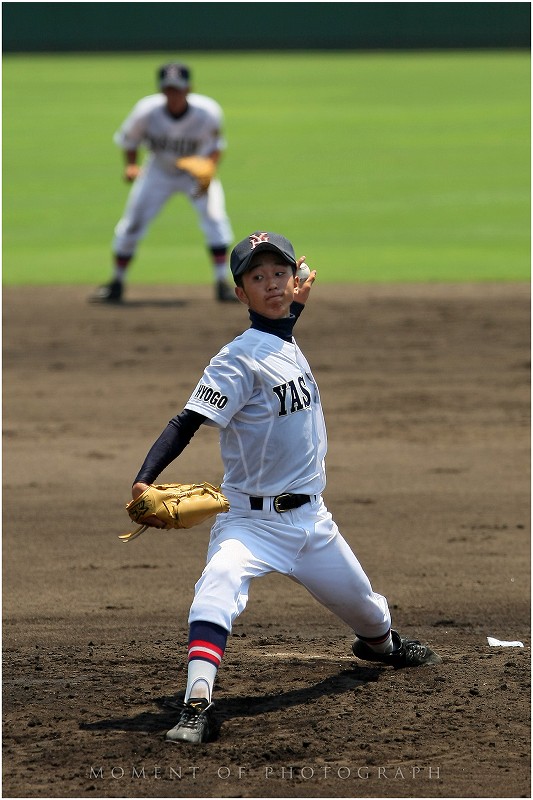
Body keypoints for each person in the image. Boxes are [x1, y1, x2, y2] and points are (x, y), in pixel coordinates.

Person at [129, 231, 441, 744]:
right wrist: (146, 477)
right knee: (216, 589)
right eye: (258, 277)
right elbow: (187, 420)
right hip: (250, 523)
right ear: (240, 293)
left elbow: (274, 334)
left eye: (279, 274)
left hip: (311, 523)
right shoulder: (236, 358)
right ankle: (196, 702)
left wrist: (293, 309)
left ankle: (381, 647)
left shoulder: (282, 337)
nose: (271, 285)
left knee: (368, 612)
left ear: (293, 279)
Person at [90, 62, 236, 304]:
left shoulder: (208, 112)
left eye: (177, 89)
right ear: (161, 90)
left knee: (215, 220)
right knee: (132, 224)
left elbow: (217, 148)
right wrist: (131, 165)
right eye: (168, 89)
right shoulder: (146, 110)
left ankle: (222, 284)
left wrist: (209, 169)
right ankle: (116, 283)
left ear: (189, 89)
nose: (173, 94)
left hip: (194, 175)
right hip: (157, 172)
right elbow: (129, 141)